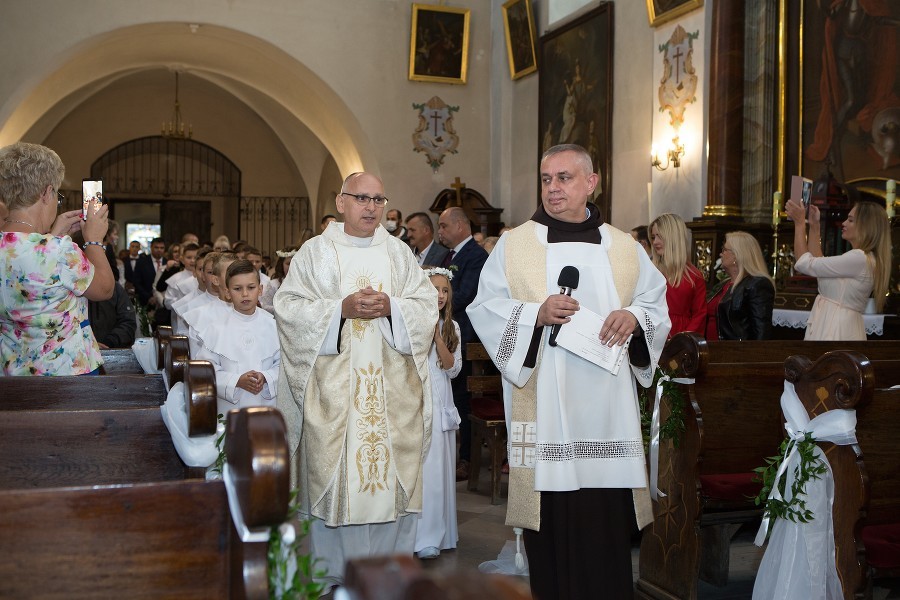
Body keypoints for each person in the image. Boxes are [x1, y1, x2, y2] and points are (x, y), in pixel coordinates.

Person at [467, 144, 669, 600]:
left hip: (608, 407)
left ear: (591, 182)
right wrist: (534, 314)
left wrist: (635, 317)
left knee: (604, 520)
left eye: (564, 178)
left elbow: (656, 305)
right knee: (553, 515)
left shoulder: (624, 246)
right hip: (547, 406)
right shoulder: (516, 244)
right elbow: (485, 307)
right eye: (546, 179)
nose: (553, 188)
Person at [274, 172, 437, 589]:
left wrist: (393, 308)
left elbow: (425, 306)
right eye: (362, 198)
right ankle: (331, 574)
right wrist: (339, 311)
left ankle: (388, 573)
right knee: (334, 481)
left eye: (378, 199)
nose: (371, 207)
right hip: (335, 395)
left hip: (391, 393)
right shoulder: (315, 253)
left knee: (389, 485)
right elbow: (288, 308)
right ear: (341, 201)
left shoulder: (399, 254)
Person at [0, 142, 114, 376]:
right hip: (63, 377)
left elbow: (30, 260)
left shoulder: (47, 247)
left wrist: (52, 235)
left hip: (9, 375)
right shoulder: (60, 251)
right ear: (46, 192)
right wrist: (93, 240)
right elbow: (104, 289)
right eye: (57, 195)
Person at [786, 198, 891, 340]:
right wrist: (814, 226)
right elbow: (820, 265)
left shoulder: (859, 258)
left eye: (851, 220)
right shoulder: (864, 258)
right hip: (834, 323)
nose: (844, 223)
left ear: (866, 227)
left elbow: (804, 264)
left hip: (837, 328)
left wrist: (799, 224)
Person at [436, 206, 488, 481]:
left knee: (462, 401)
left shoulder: (477, 256)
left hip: (463, 336)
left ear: (459, 225)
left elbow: (466, 293)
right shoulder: (448, 255)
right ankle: (447, 454)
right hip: (445, 332)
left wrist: (436, 302)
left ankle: (467, 458)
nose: (440, 231)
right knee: (449, 397)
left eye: (444, 226)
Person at [414, 266, 461, 560]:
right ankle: (413, 534)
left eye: (445, 290)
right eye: (434, 290)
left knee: (436, 470)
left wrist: (437, 337)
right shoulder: (411, 324)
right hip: (417, 402)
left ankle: (433, 535)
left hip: (441, 401)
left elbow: (453, 369)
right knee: (419, 470)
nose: (440, 296)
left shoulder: (452, 328)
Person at [195, 260, 280, 415]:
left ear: (260, 290)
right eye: (237, 289)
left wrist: (266, 377)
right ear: (227, 292)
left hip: (267, 408)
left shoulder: (273, 325)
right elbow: (206, 371)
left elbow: (282, 365)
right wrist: (236, 381)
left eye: (251, 287)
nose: (245, 294)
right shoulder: (216, 329)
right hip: (230, 410)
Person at [650, 213, 706, 337]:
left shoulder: (694, 276)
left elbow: (700, 314)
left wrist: (684, 338)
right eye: (653, 237)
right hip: (653, 334)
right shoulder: (650, 271)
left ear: (674, 238)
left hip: (682, 337)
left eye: (660, 236)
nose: (655, 242)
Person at [711, 232, 776, 340]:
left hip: (732, 348)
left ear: (737, 255)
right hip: (708, 345)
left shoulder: (757, 284)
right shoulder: (722, 284)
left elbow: (761, 332)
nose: (721, 254)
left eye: (724, 250)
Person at [260, 246, 297, 314]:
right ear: (281, 265)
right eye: (288, 263)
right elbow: (265, 306)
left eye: (295, 263)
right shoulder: (274, 284)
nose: (291, 266)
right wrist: (284, 310)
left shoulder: (306, 284)